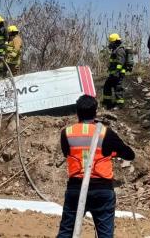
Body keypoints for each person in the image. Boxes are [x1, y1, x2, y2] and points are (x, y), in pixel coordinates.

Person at [57, 95, 135, 238]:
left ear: (77, 112)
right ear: (95, 112)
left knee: (66, 232)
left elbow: (66, 152)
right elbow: (129, 155)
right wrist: (112, 152)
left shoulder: (66, 133)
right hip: (102, 190)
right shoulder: (106, 133)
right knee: (105, 235)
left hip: (76, 188)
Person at [102, 33, 126, 109]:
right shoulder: (115, 50)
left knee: (118, 88)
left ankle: (120, 105)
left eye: (111, 42)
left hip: (118, 74)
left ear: (115, 42)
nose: (110, 44)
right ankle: (107, 103)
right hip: (113, 73)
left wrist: (117, 71)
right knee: (107, 86)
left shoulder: (120, 50)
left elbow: (120, 63)